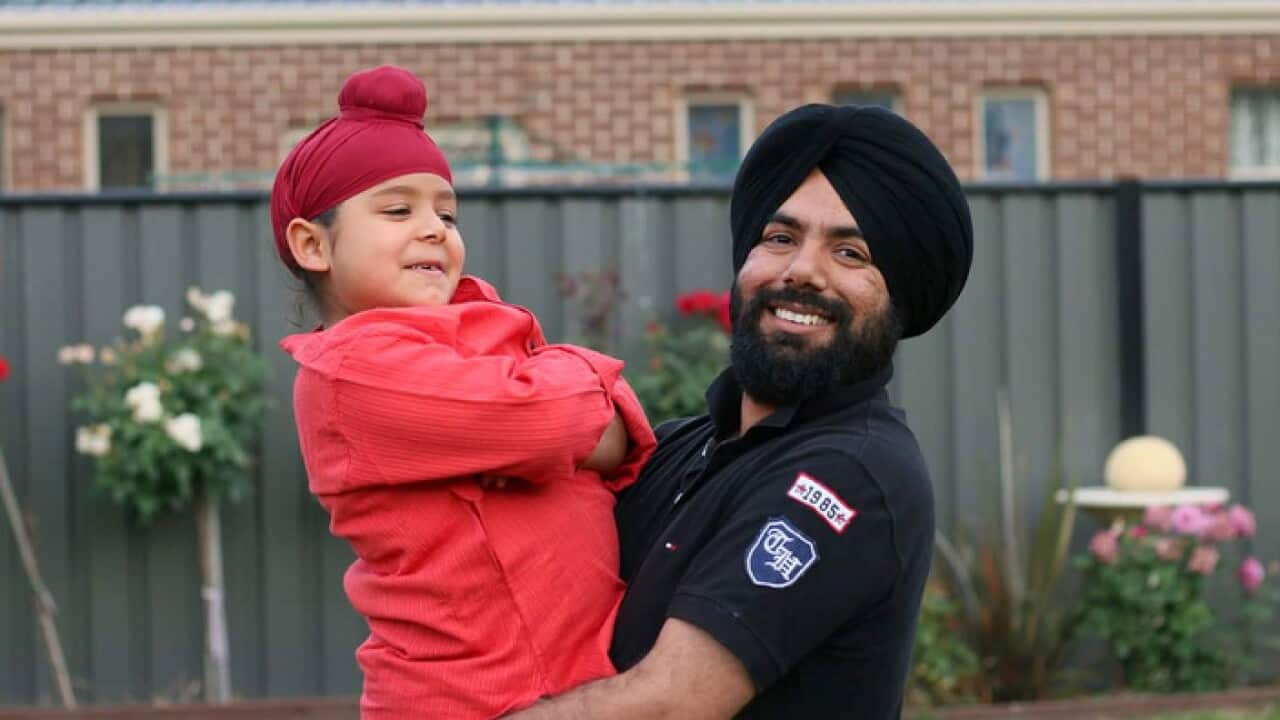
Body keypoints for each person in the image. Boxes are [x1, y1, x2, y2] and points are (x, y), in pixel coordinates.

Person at [510, 104, 973, 718]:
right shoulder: (679, 449)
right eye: (780, 238)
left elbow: (669, 706)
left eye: (852, 254)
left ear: (899, 299)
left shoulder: (854, 471)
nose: (802, 271)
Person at [272, 65, 656, 719]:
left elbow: (607, 436)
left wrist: (567, 402)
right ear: (313, 244)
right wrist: (580, 384)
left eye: (446, 212)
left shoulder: (463, 338)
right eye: (397, 209)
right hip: (473, 700)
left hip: (561, 685)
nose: (434, 229)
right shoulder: (356, 373)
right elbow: (562, 422)